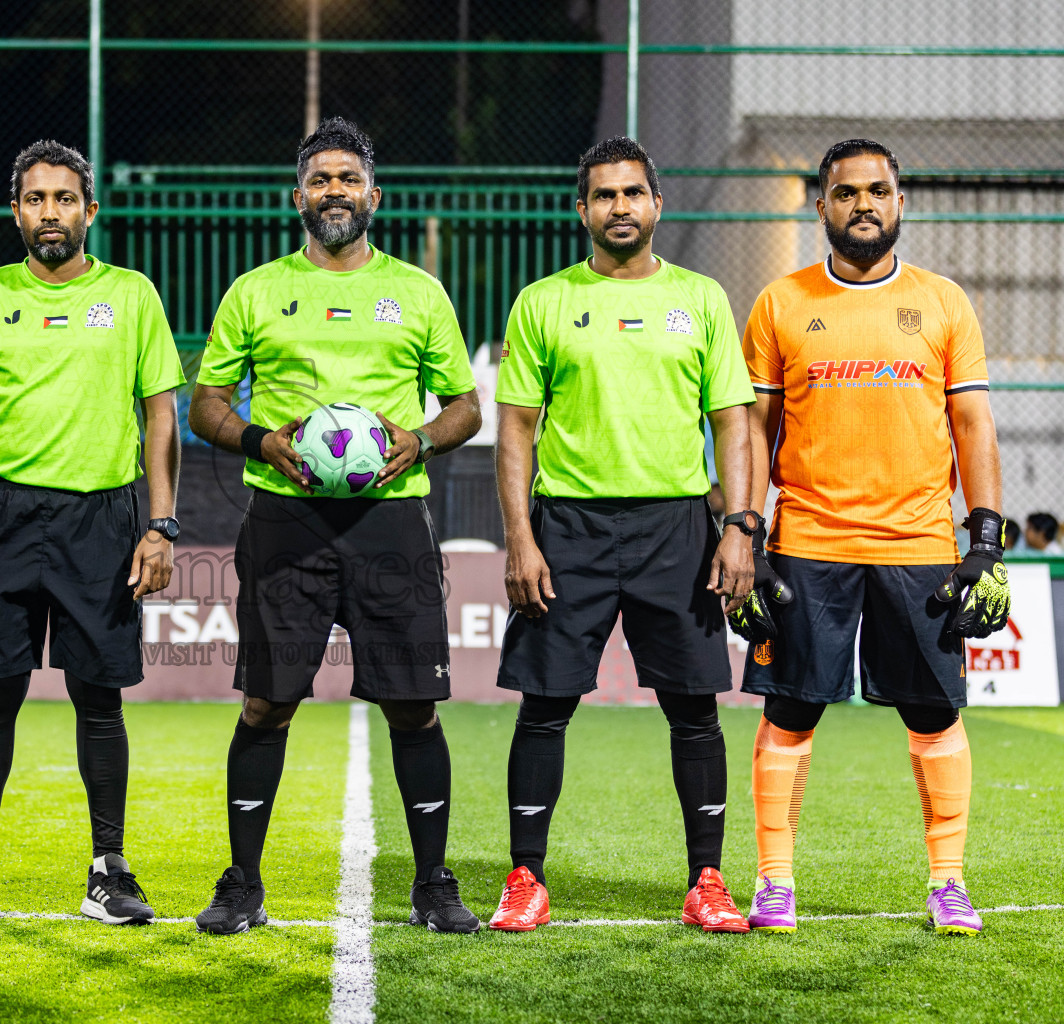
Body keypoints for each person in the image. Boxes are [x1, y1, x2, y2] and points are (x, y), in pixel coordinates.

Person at [187, 117, 483, 935]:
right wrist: (259, 440)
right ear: (298, 196)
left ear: (373, 194)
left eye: (347, 179)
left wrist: (419, 440)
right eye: (320, 179)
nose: (334, 192)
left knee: (414, 707)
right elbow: (204, 404)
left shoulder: (419, 292)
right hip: (286, 523)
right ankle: (242, 883)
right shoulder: (254, 290)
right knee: (266, 705)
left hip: (391, 523)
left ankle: (432, 883)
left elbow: (466, 406)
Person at [731, 139, 1010, 936]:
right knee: (790, 712)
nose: (863, 204)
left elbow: (971, 421)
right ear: (820, 206)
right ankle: (776, 883)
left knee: (934, 716)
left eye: (878, 191)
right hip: (808, 542)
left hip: (919, 548)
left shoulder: (945, 303)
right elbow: (754, 428)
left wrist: (983, 540)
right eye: (846, 192)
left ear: (900, 202)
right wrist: (746, 536)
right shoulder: (781, 302)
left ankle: (949, 882)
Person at [490, 136, 756, 934]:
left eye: (632, 193)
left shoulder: (703, 299)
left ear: (656, 206)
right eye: (604, 196)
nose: (619, 208)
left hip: (676, 527)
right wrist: (521, 540)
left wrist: (739, 527)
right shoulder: (542, 301)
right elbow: (515, 433)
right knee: (545, 707)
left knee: (694, 710)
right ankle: (525, 877)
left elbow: (733, 425)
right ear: (582, 210)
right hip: (567, 525)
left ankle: (706, 879)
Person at [0, 140, 184, 927]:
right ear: (16, 211)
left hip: (102, 518)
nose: (50, 213)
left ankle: (110, 870)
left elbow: (162, 412)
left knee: (98, 701)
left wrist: (160, 525)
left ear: (89, 211)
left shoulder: (133, 295)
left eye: (65, 199)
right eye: (36, 199)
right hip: (0, 516)